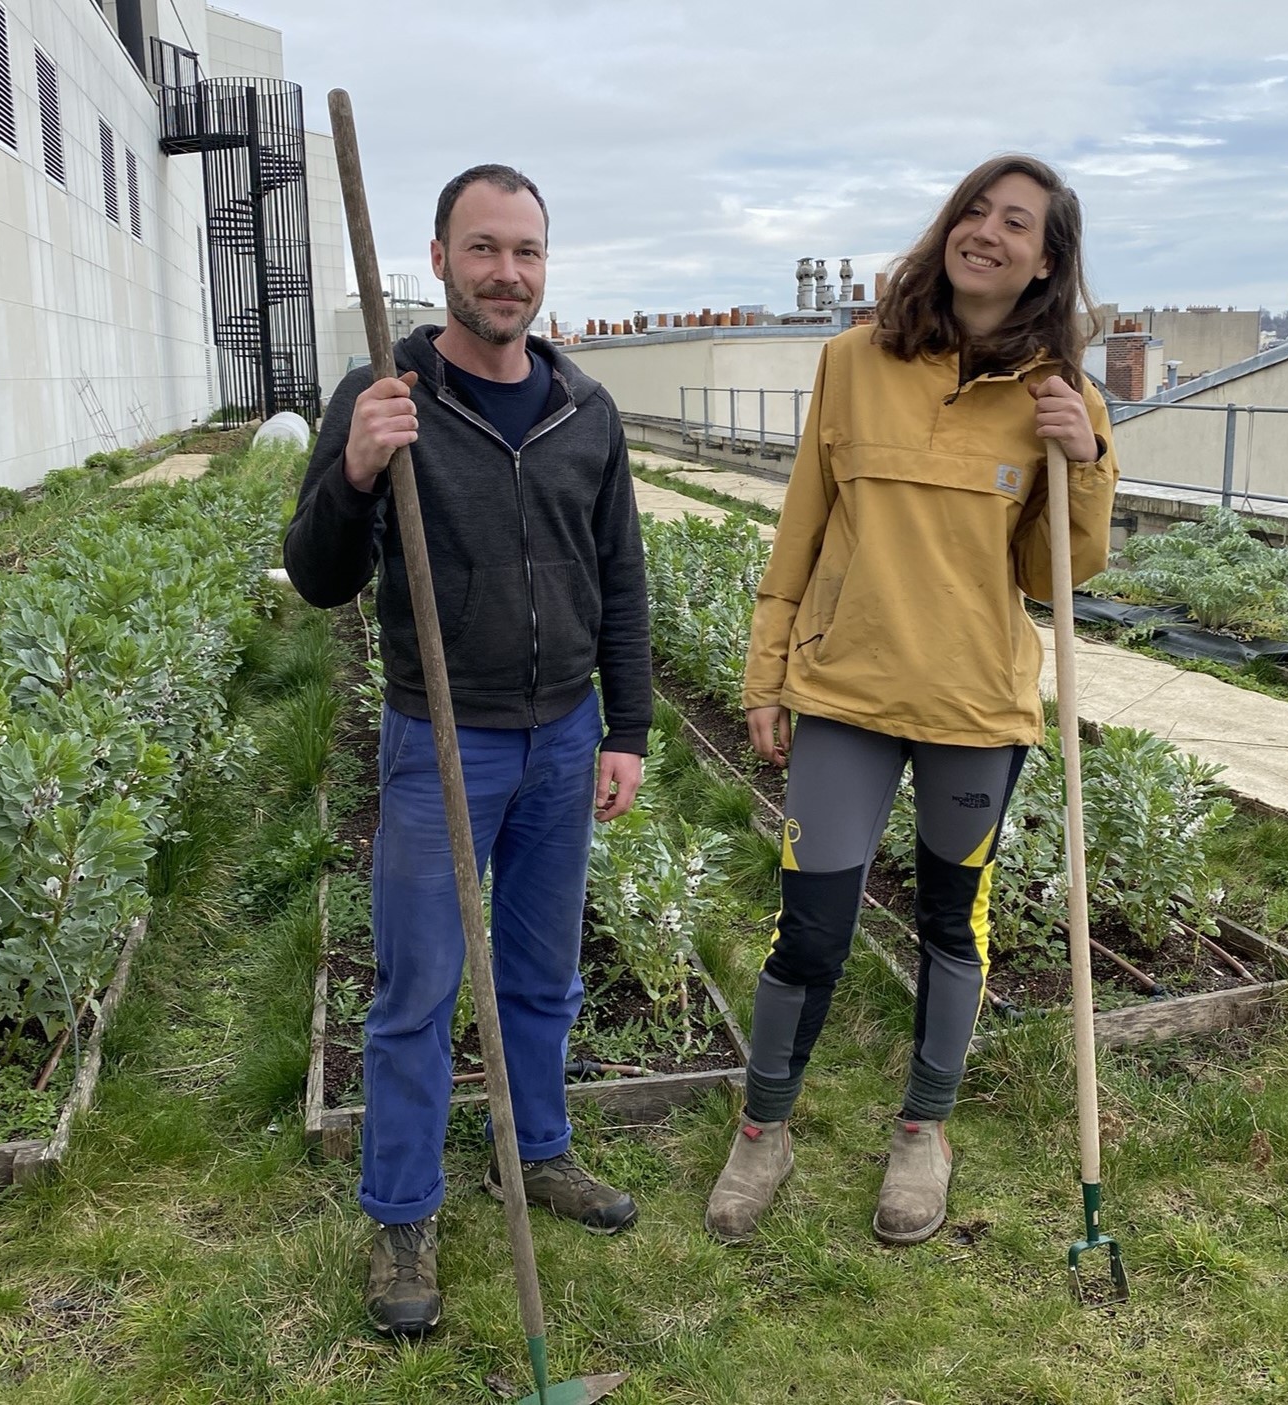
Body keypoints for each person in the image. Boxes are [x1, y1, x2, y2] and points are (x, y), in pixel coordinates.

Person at [704, 154, 1119, 1247]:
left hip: (974, 707)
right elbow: (800, 523)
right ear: (947, 228)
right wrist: (767, 667)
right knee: (810, 930)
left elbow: (1053, 574)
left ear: (1045, 261)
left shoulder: (1056, 398)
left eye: (1016, 223)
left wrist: (1089, 460)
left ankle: (922, 1131)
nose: (987, 231)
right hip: (844, 691)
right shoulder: (851, 361)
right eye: (974, 210)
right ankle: (764, 1128)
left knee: (950, 926)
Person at [284, 164, 652, 1336]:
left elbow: (622, 580)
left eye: (527, 251)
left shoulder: (584, 409)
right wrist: (353, 469)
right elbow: (315, 573)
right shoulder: (383, 393)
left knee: (544, 976)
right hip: (439, 736)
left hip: (563, 737)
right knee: (419, 989)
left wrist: (629, 729)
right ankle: (401, 1213)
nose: (508, 273)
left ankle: (534, 1151)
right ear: (439, 258)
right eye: (484, 248)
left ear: (547, 267)